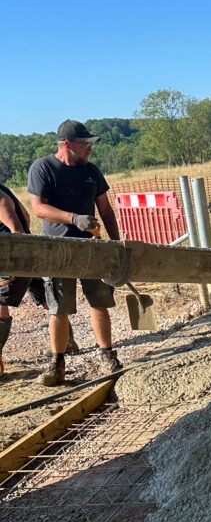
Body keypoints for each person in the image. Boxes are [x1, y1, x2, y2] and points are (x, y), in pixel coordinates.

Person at [28, 119, 122, 386]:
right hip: (58, 250)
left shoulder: (91, 171)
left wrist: (115, 245)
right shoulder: (43, 168)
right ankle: (57, 365)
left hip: (92, 249)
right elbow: (38, 208)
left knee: (100, 302)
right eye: (85, 144)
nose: (89, 149)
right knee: (58, 308)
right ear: (67, 145)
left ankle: (108, 356)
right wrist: (73, 218)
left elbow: (105, 209)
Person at [0, 182, 51, 379]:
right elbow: (26, 216)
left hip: (12, 258)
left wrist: (16, 263)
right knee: (45, 298)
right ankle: (66, 343)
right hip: (28, 254)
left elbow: (16, 229)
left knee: (0, 304)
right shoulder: (4, 189)